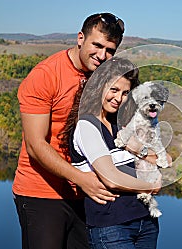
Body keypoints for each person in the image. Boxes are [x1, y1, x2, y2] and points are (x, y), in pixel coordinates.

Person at [13, 12, 127, 249]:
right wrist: (81, 179)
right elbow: (35, 146)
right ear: (80, 38)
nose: (102, 55)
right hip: (42, 193)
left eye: (109, 50)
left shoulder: (105, 77)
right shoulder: (46, 75)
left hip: (86, 193)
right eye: (96, 45)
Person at [58, 57, 161, 249]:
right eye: (113, 90)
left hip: (145, 222)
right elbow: (111, 178)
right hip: (112, 227)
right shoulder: (87, 126)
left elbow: (157, 158)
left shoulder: (120, 124)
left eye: (125, 93)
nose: (118, 98)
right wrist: (149, 187)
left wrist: (144, 151)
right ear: (98, 87)